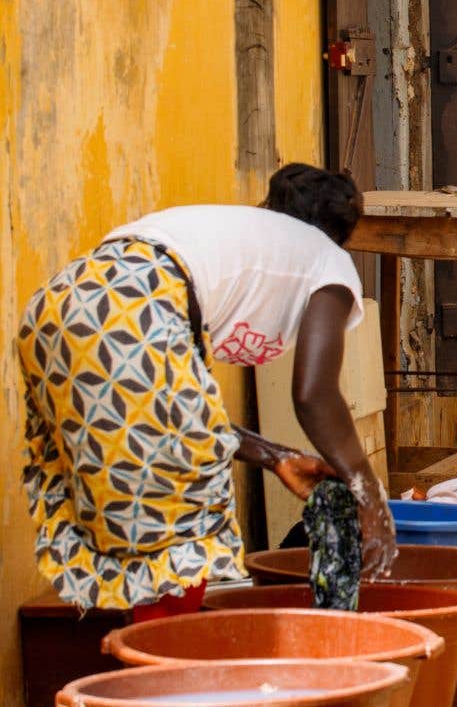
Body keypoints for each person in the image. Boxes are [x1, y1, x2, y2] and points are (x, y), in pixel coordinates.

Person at [17, 163, 397, 618]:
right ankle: (166, 666)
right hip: (133, 310)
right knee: (185, 525)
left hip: (59, 306)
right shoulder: (327, 260)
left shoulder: (218, 239)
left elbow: (188, 420)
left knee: (139, 527)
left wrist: (275, 457)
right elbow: (315, 395)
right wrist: (370, 495)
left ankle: (147, 658)